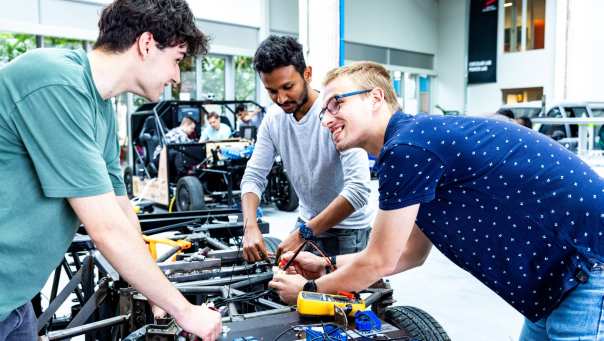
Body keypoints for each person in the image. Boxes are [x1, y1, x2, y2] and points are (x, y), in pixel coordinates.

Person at [269, 61, 604, 341]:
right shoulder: (419, 146)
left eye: (336, 104)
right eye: (324, 110)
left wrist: (308, 289)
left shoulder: (408, 149)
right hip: (556, 284)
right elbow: (408, 253)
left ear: (375, 98)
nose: (326, 119)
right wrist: (328, 265)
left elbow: (380, 262)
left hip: (584, 270)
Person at [0, 1, 222, 340]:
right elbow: (105, 229)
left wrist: (157, 292)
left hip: (14, 301)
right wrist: (185, 310)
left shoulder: (101, 108)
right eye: (177, 60)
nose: (177, 77)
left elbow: (121, 213)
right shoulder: (54, 81)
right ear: (147, 44)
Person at [240, 35, 373, 263]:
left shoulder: (336, 115)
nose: (281, 98)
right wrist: (250, 226)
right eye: (272, 91)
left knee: (334, 298)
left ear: (307, 74)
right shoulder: (273, 119)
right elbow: (254, 175)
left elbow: (358, 190)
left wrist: (304, 233)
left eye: (288, 87)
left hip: (348, 231)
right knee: (285, 289)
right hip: (305, 222)